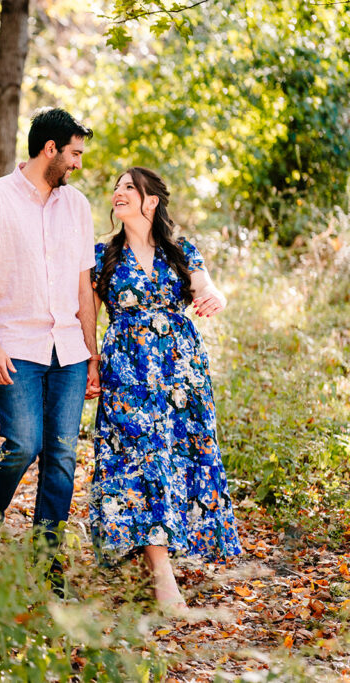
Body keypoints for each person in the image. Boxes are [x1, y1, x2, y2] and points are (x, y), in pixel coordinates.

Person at [87, 167, 242, 612]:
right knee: (135, 460)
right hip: (128, 375)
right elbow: (86, 315)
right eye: (116, 187)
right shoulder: (103, 257)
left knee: (175, 457)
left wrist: (216, 297)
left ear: (150, 200)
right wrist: (91, 363)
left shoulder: (181, 250)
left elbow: (207, 287)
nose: (117, 193)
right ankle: (161, 576)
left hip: (180, 374)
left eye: (128, 187)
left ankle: (159, 552)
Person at [0, 107, 100, 567]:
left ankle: (48, 561)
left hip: (69, 349)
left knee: (62, 455)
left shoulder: (77, 206)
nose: (78, 164)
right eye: (75, 154)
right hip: (14, 347)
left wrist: (92, 356)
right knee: (24, 442)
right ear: (50, 149)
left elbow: (85, 288)